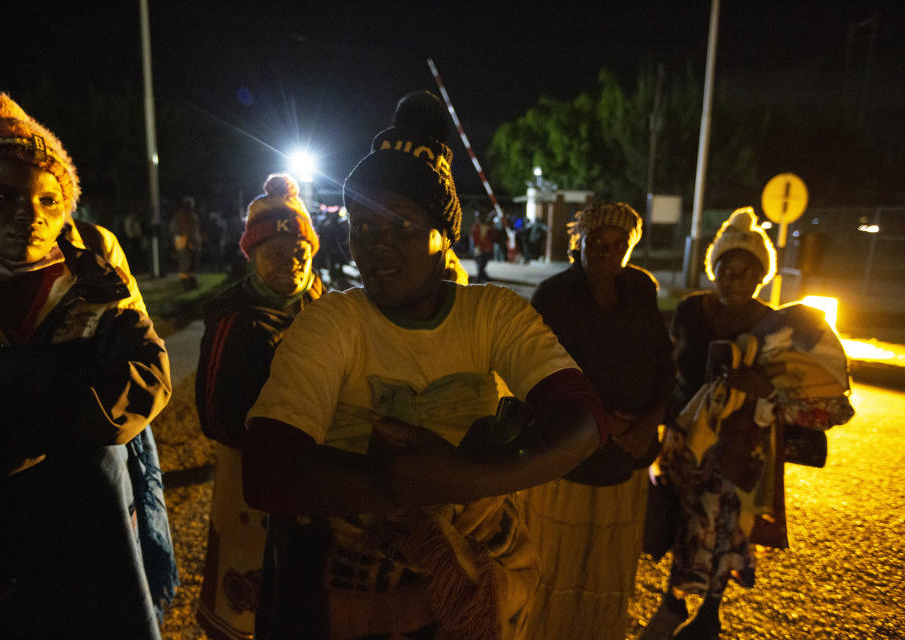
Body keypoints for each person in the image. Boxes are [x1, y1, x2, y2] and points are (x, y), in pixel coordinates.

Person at [241, 90, 608, 640]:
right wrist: (403, 485)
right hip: (347, 595)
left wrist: (461, 478)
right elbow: (266, 470)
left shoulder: (492, 315)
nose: (376, 245)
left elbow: (584, 419)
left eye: (401, 224)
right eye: (361, 225)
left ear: (445, 234)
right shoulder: (332, 323)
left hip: (464, 599)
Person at [0, 93, 172, 638]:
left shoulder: (91, 264)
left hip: (91, 517)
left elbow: (146, 373)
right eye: (2, 197)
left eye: (50, 200)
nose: (30, 215)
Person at [640, 208, 855, 640]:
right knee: (684, 517)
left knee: (726, 524)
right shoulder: (689, 311)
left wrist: (758, 384)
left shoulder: (773, 325)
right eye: (725, 267)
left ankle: (707, 611)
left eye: (745, 270)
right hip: (685, 435)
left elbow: (784, 384)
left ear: (760, 276)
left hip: (739, 443)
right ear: (712, 268)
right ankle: (675, 599)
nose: (733, 277)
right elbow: (668, 361)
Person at [525, 202, 675, 640]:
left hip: (625, 463)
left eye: (619, 245)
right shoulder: (553, 296)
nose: (608, 253)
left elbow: (664, 364)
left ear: (630, 248)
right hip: (567, 460)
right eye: (597, 243)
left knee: (607, 574)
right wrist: (603, 421)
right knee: (554, 568)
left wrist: (650, 420)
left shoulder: (641, 290)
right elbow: (537, 374)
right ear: (579, 244)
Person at [195, 173, 323, 640]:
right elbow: (215, 415)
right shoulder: (235, 318)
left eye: (299, 253)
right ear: (252, 257)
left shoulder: (318, 305)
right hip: (249, 476)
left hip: (309, 471)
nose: (290, 263)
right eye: (274, 255)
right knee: (245, 585)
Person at [172, 195, 202, 289]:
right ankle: (187, 284)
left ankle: (190, 283)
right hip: (187, 243)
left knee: (189, 265)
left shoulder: (181, 216)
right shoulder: (189, 217)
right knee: (186, 265)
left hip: (187, 243)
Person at [470, 210, 495, 282]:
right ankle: (483, 278)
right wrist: (477, 246)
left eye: (479, 216)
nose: (478, 218)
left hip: (486, 248)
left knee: (482, 264)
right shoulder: (476, 226)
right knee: (480, 264)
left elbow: (491, 237)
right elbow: (474, 237)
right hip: (478, 248)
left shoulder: (488, 226)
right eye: (477, 217)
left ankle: (480, 279)